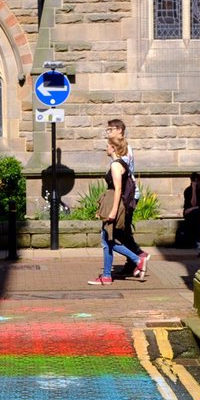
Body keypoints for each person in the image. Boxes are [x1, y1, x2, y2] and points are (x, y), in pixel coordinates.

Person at [88, 138, 151, 286]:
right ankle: (107, 276)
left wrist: (113, 211)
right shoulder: (121, 164)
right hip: (111, 203)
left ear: (114, 148)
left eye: (108, 146)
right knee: (108, 240)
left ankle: (137, 260)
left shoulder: (116, 165)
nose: (106, 148)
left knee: (107, 240)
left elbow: (118, 190)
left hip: (114, 204)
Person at [105, 118, 143, 271]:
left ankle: (139, 256)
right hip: (128, 195)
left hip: (127, 196)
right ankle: (132, 262)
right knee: (124, 231)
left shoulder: (123, 152)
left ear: (119, 130)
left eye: (111, 129)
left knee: (119, 232)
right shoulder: (125, 149)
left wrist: (114, 208)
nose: (109, 132)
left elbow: (120, 183)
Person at [178, 172, 200, 247]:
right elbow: (193, 204)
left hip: (196, 213)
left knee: (197, 214)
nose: (197, 182)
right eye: (195, 181)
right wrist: (194, 189)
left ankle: (197, 241)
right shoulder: (188, 191)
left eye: (198, 180)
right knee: (195, 214)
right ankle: (196, 242)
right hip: (189, 213)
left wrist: (194, 208)